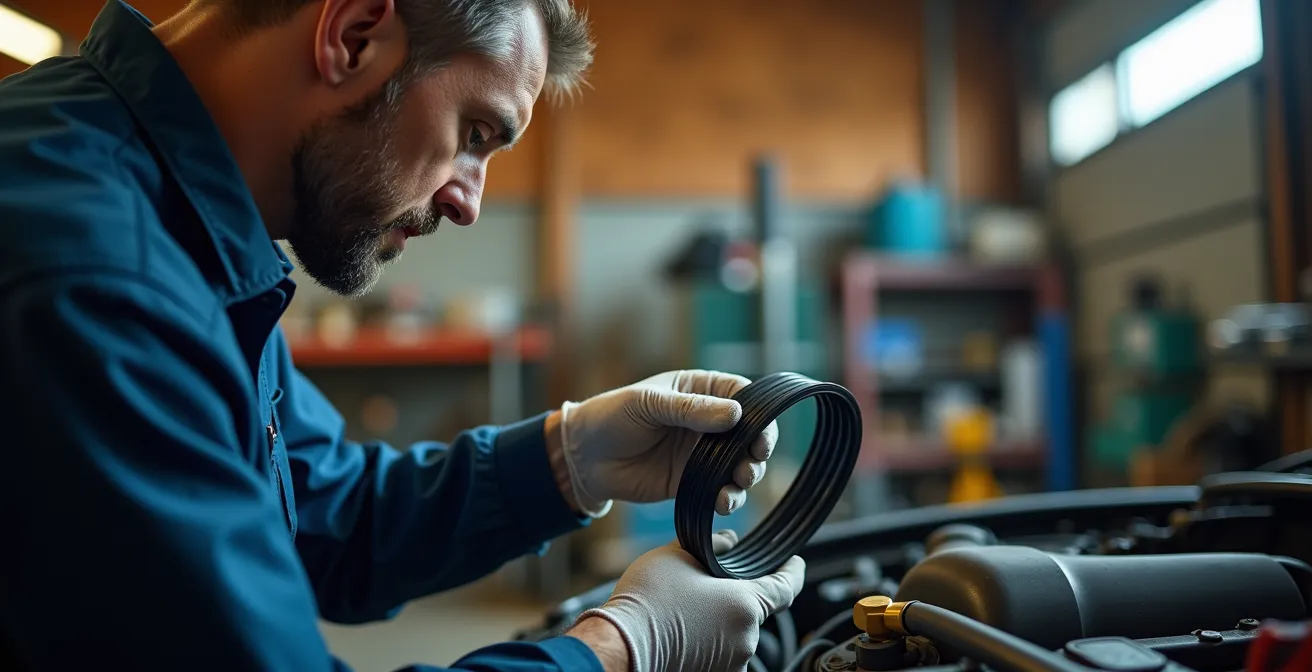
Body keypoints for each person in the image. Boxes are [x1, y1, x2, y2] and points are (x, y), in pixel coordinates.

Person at [0, 0, 806, 671]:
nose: (469, 203)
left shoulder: (180, 225)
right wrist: (620, 647)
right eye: (475, 134)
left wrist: (569, 459)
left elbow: (325, 513)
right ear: (352, 36)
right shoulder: (98, 276)